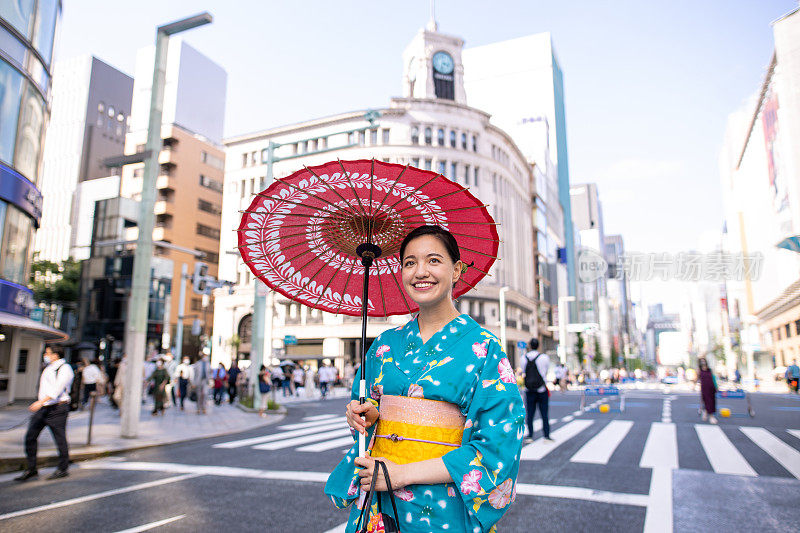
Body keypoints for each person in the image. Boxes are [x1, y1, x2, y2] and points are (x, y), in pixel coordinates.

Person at [325, 225, 524, 532]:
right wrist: (367, 418)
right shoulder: (383, 345)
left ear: (456, 270)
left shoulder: (485, 348)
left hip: (444, 508)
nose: (420, 272)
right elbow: (368, 432)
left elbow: (498, 445)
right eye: (409, 263)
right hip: (381, 505)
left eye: (433, 260)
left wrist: (401, 474)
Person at [15, 346, 74, 481]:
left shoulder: (65, 369)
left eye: (48, 353)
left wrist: (40, 402)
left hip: (57, 409)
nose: (45, 355)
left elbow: (57, 389)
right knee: (30, 437)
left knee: (60, 439)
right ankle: (31, 468)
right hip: (44, 408)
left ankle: (63, 468)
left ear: (56, 355)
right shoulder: (49, 367)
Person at [523, 338, 551, 443]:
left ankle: (530, 435)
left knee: (530, 413)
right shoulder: (544, 357)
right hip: (541, 389)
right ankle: (546, 435)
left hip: (529, 389)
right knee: (544, 413)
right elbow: (546, 371)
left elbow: (523, 371)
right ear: (539, 345)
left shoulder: (524, 358)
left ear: (530, 345)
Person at [698, 358, 718, 424]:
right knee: (707, 401)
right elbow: (698, 380)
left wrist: (716, 386)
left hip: (712, 388)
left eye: (704, 361)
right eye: (701, 362)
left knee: (712, 402)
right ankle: (711, 416)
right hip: (704, 389)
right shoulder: (699, 371)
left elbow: (713, 378)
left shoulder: (710, 370)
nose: (703, 363)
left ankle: (706, 412)